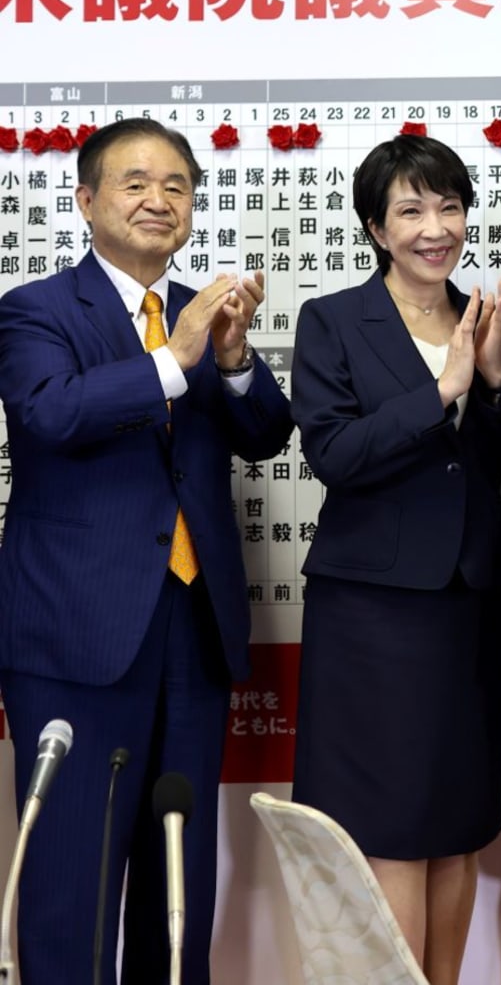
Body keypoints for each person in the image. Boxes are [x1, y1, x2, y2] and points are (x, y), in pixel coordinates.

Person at [0, 117, 292, 985]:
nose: (158, 200)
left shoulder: (201, 317)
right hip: (77, 639)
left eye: (176, 186)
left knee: (179, 889)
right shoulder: (35, 311)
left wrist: (235, 363)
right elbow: (52, 414)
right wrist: (180, 354)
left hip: (191, 634)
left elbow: (266, 433)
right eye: (134, 183)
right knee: (70, 892)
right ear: (86, 200)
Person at [289, 134, 501, 982]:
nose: (435, 228)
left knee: (458, 823)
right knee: (393, 827)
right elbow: (335, 453)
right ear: (375, 227)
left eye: (448, 207)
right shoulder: (332, 319)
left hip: (467, 602)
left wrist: (499, 378)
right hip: (373, 613)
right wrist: (442, 390)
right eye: (411, 210)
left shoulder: (488, 319)